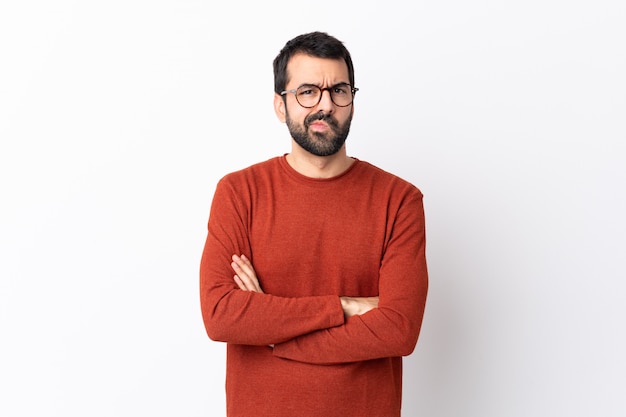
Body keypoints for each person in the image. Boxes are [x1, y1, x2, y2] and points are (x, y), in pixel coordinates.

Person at [200, 31, 428, 417]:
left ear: (352, 101)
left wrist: (276, 335)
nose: (325, 105)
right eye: (308, 91)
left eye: (338, 91)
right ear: (280, 104)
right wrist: (343, 307)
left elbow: (399, 328)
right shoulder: (239, 193)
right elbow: (221, 314)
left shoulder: (399, 200)